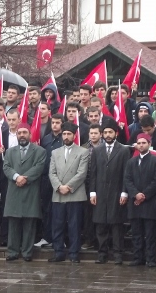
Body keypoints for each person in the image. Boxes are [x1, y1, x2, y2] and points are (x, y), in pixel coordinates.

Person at [88, 118, 131, 265]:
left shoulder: (124, 150)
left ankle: (118, 254)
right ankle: (102, 253)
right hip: (100, 193)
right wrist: (92, 192)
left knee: (116, 225)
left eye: (110, 132)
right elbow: (93, 172)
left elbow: (126, 173)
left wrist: (124, 192)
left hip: (117, 192)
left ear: (116, 133)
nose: (107, 135)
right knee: (100, 224)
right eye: (105, 132)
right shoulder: (97, 150)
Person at [3, 123, 47, 262]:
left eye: (24, 132)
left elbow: (38, 167)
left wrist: (24, 178)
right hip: (14, 191)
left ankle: (27, 253)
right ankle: (12, 252)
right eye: (19, 132)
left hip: (31, 190)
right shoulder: (10, 151)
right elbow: (6, 167)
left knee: (29, 223)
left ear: (30, 134)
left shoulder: (40, 151)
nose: (22, 135)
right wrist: (16, 177)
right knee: (13, 224)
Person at [48, 122, 90, 263]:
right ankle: (58, 252)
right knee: (58, 225)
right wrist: (59, 187)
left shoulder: (83, 152)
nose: (66, 137)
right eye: (64, 134)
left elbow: (82, 173)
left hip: (75, 194)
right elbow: (52, 173)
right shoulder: (55, 152)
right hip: (58, 194)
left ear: (74, 135)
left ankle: (74, 253)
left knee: (74, 225)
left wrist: (68, 187)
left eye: (69, 134)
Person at [124, 133, 156, 267]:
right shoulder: (131, 162)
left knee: (150, 233)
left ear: (149, 144)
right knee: (136, 233)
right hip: (135, 203)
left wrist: (144, 195)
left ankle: (151, 259)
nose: (141, 145)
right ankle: (138, 258)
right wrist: (136, 194)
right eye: (139, 143)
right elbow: (127, 180)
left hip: (150, 202)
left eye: (144, 143)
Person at [36, 113, 63, 248]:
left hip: (61, 179)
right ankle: (47, 237)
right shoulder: (46, 139)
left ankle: (60, 239)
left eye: (58, 123)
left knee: (60, 211)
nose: (55, 125)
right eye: (53, 123)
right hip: (46, 178)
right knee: (46, 209)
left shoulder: (65, 139)